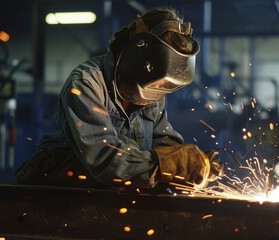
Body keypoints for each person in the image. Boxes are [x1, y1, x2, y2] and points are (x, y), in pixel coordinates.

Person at [15, 7, 221, 191]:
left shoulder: (152, 87)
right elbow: (105, 159)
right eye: (157, 81)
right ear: (139, 56)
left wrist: (193, 164)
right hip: (58, 186)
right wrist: (167, 165)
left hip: (110, 190)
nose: (159, 90)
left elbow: (162, 145)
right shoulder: (85, 84)